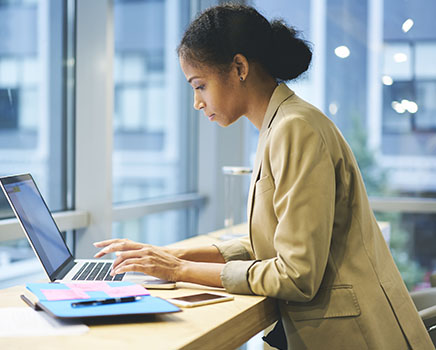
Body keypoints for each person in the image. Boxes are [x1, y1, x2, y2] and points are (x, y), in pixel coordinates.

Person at [93, 4, 433, 349]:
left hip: (350, 336)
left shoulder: (295, 129)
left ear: (239, 67)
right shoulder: (281, 124)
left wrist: (178, 271)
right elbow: (270, 243)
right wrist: (171, 257)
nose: (197, 102)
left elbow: (296, 275)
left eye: (200, 86)